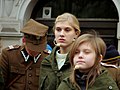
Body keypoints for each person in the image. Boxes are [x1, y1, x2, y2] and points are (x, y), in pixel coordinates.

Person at [0, 19, 50, 90]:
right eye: (32, 48)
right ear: (24, 41)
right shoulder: (8, 55)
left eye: (39, 48)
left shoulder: (48, 58)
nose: (36, 51)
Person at [39, 13, 81, 90]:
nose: (61, 34)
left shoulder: (81, 61)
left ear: (76, 33)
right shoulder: (46, 62)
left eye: (67, 30)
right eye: (58, 30)